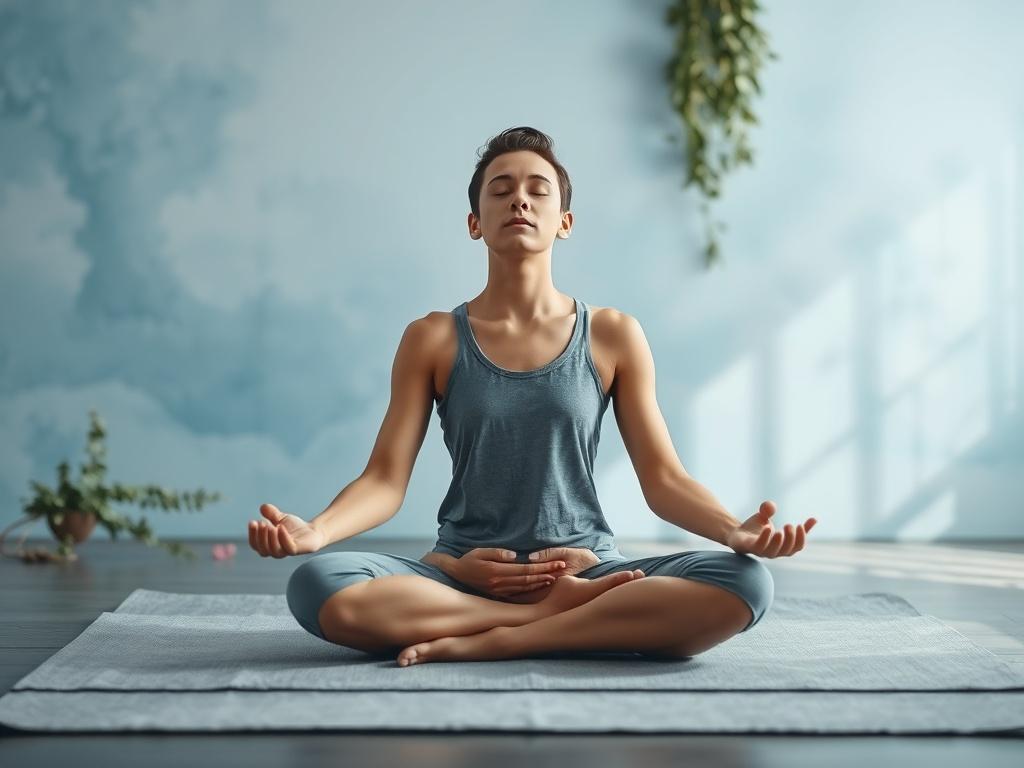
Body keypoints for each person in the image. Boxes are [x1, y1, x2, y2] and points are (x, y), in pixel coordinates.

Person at [248, 126, 817, 667]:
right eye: (501, 190)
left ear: (563, 221)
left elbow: (664, 480)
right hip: (461, 574)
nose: (519, 200)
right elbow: (385, 481)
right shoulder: (432, 338)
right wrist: (317, 530)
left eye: (537, 190)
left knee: (744, 583)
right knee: (320, 584)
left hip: (587, 576)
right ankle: (545, 625)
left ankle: (492, 640)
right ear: (476, 222)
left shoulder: (614, 334)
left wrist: (732, 531)